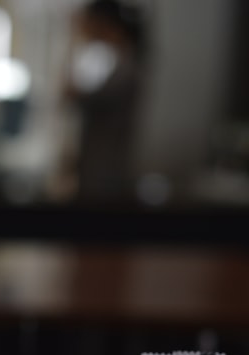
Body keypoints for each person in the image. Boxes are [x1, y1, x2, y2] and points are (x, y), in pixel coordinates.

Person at [64, 0, 146, 203]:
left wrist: (72, 42)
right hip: (100, 169)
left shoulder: (126, 66)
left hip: (105, 173)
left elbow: (75, 96)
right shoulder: (118, 62)